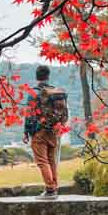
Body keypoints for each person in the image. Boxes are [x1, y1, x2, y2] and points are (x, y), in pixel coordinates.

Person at [24, 65, 69, 199]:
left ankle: (50, 190)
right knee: (51, 161)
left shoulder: (34, 93)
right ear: (48, 76)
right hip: (53, 130)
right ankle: (54, 188)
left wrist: (26, 132)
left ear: (36, 76)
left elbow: (29, 113)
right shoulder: (55, 92)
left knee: (42, 161)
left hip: (39, 131)